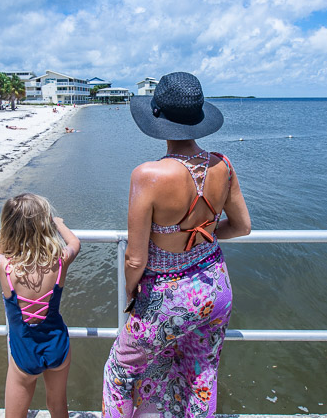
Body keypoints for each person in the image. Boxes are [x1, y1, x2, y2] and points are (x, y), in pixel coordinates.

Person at [102, 72, 251, 417]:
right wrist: (203, 236)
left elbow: (136, 258)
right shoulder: (223, 165)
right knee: (201, 374)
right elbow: (242, 226)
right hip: (216, 287)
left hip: (167, 298)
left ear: (158, 118)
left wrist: (130, 297)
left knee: (120, 372)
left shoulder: (148, 176)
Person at [0, 193, 81, 418]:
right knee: (58, 406)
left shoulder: (5, 267)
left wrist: (9, 233)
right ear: (45, 223)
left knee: (15, 414)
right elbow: (75, 243)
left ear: (10, 227)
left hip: (24, 348)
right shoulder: (59, 260)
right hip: (57, 343)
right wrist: (59, 224)